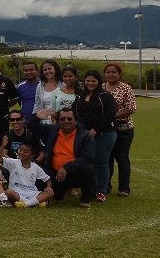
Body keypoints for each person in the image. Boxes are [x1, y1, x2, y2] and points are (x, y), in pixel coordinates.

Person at [40, 106, 97, 207]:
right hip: (55, 173)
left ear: (76, 120)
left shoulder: (85, 135)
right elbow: (32, 127)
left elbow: (87, 157)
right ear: (58, 121)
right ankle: (61, 192)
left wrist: (67, 167)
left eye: (70, 119)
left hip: (75, 173)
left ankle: (86, 198)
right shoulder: (53, 131)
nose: (66, 121)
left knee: (89, 169)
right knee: (39, 173)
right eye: (62, 119)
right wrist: (36, 117)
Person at [76, 69, 118, 202]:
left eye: (93, 81)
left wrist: (96, 129)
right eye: (88, 80)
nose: (90, 83)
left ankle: (101, 191)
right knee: (88, 163)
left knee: (101, 161)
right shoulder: (81, 95)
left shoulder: (105, 95)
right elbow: (74, 112)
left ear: (99, 81)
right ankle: (90, 189)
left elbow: (110, 114)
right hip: (85, 134)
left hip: (104, 134)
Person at [103, 62, 136, 197]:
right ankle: (105, 186)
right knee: (106, 158)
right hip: (105, 129)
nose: (110, 75)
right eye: (108, 72)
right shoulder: (101, 87)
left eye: (113, 72)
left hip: (123, 129)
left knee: (121, 157)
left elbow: (131, 108)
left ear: (119, 74)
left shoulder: (126, 88)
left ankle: (124, 188)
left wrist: (111, 117)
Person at [0, 137, 52, 208]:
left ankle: (25, 204)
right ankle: (34, 203)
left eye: (26, 152)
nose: (22, 153)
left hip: (31, 193)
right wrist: (3, 146)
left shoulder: (35, 167)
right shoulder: (14, 163)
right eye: (20, 150)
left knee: (50, 194)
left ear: (32, 155)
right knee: (8, 192)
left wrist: (49, 187)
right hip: (17, 192)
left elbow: (48, 179)